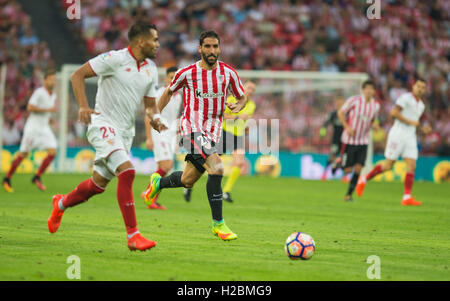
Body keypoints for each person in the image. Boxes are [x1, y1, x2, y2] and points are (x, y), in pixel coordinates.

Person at [47, 22, 166, 251]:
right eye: (155, 39)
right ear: (141, 41)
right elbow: (77, 75)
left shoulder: (151, 68)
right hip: (102, 123)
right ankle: (133, 235)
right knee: (128, 171)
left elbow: (150, 106)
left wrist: (156, 119)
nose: (158, 44)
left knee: (97, 185)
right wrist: (83, 106)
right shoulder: (114, 59)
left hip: (125, 132)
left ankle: (60, 203)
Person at [144, 30, 246, 241]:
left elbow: (242, 96)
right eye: (207, 46)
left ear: (220, 48)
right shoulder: (187, 73)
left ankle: (157, 183)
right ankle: (218, 224)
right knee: (216, 168)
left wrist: (238, 105)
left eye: (215, 46)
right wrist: (155, 116)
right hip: (191, 129)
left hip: (213, 133)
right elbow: (168, 92)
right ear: (199, 48)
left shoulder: (228, 73)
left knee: (187, 180)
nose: (211, 51)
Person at [355, 78, 431, 206]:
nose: (420, 89)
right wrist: (412, 122)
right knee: (388, 166)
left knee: (412, 165)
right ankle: (364, 179)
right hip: (397, 134)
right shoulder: (405, 98)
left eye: (423, 87)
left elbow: (414, 123)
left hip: (410, 136)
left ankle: (407, 197)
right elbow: (394, 113)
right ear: (413, 87)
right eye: (418, 86)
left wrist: (422, 129)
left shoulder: (421, 106)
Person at [183, 81, 256, 203]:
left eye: (253, 89)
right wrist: (237, 117)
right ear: (243, 88)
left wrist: (246, 127)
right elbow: (221, 115)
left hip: (239, 136)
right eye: (249, 88)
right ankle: (189, 184)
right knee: (208, 163)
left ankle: (226, 192)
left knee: (239, 163)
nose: (251, 91)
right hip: (224, 133)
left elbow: (245, 120)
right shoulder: (232, 99)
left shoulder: (252, 105)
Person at [3, 69, 58, 192]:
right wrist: (48, 111)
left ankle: (37, 176)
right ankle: (7, 179)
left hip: (44, 128)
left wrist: (49, 119)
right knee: (24, 154)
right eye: (51, 79)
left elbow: (46, 111)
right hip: (33, 128)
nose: (53, 82)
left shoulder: (53, 95)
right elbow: (30, 107)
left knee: (53, 151)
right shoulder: (39, 92)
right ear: (45, 81)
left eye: (54, 80)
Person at [141, 66, 183, 210]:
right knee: (167, 166)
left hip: (170, 134)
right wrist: (149, 138)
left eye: (176, 77)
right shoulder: (160, 93)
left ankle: (151, 198)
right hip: (158, 132)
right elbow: (149, 115)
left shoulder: (178, 96)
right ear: (166, 78)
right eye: (171, 77)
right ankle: (148, 193)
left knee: (162, 167)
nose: (174, 80)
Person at [337, 79, 380, 202]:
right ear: (363, 90)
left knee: (359, 168)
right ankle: (338, 161)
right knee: (347, 170)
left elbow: (372, 120)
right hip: (349, 140)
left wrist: (375, 125)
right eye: (367, 88)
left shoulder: (375, 105)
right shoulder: (354, 101)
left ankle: (349, 195)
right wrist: (347, 127)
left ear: (374, 91)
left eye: (372, 89)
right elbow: (340, 113)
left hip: (363, 141)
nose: (369, 91)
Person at [320, 96, 345, 181]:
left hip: (346, 140)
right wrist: (322, 133)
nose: (339, 105)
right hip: (336, 139)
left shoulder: (347, 114)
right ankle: (324, 174)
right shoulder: (333, 114)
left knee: (345, 158)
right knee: (332, 157)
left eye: (341, 103)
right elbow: (325, 124)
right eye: (338, 103)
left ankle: (345, 176)